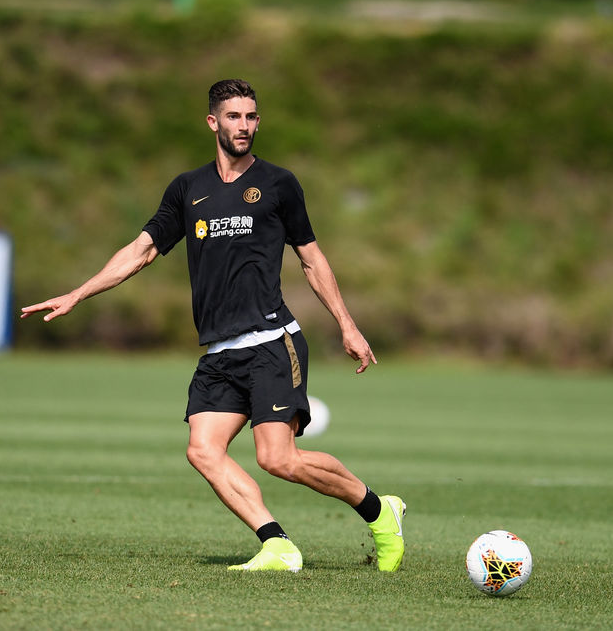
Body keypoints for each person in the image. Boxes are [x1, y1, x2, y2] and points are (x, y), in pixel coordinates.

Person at [21, 79, 405, 571]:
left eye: (251, 116)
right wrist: (78, 293)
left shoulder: (279, 183)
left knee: (277, 459)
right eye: (233, 116)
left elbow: (312, 259)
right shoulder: (188, 189)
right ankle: (277, 544)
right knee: (203, 450)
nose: (244, 126)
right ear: (213, 122)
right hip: (220, 353)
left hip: (272, 342)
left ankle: (380, 511)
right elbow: (140, 251)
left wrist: (347, 326)